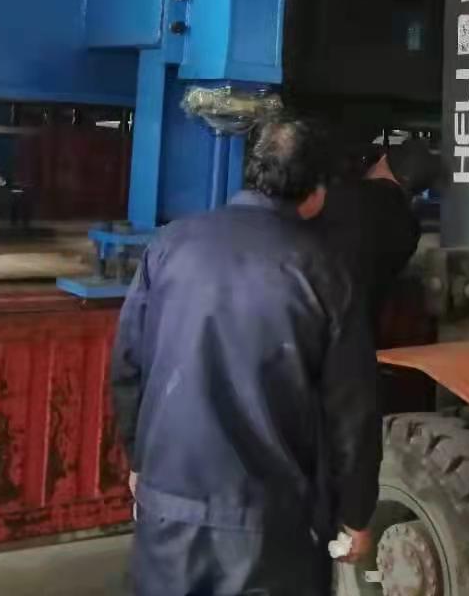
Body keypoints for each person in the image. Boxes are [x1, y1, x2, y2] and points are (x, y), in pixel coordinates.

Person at [110, 118, 381, 596]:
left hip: (167, 507)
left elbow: (129, 365)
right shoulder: (326, 272)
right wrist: (356, 513)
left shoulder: (170, 245)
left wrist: (139, 459)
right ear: (317, 191)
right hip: (272, 528)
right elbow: (352, 412)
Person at [320, 138, 438, 324]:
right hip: (361, 326)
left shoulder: (337, 195)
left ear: (383, 160)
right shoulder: (410, 228)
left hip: (313, 317)